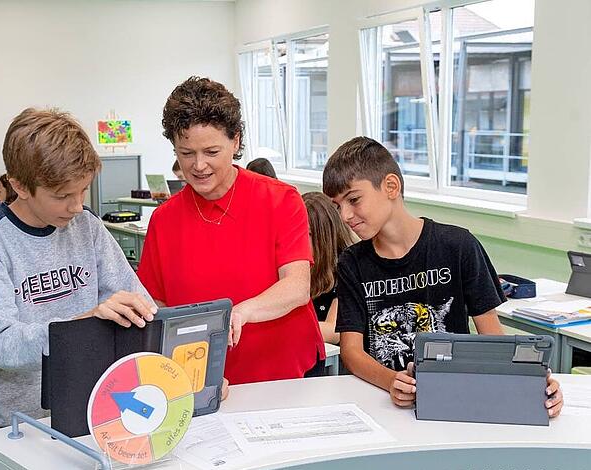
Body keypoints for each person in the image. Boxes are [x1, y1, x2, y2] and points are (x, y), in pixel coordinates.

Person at [0, 107, 156, 470]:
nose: (77, 205)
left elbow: (135, 300)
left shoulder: (87, 226)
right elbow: (0, 343)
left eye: (83, 190)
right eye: (63, 195)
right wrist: (81, 324)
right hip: (5, 428)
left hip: (82, 418)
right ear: (19, 186)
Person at [322, 136, 563, 416]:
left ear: (390, 186)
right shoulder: (352, 262)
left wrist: (534, 387)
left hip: (456, 399)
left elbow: (494, 339)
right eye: (338, 206)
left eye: (353, 200)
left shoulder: (458, 246)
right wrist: (391, 382)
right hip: (384, 404)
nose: (346, 215)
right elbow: (352, 351)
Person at [137, 77, 325, 385]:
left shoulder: (280, 200)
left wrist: (242, 312)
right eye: (186, 153)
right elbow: (158, 305)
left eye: (211, 152)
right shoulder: (164, 220)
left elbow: (297, 287)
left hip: (287, 373)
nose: (198, 165)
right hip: (208, 377)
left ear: (235, 141)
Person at [302, 191, 355, 348]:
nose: (299, 240)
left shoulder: (346, 268)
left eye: (308, 234)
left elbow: (334, 331)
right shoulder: (295, 264)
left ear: (324, 238)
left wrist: (287, 330)